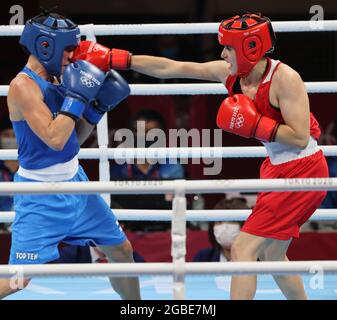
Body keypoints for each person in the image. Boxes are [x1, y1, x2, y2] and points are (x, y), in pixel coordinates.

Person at [72, 13, 329, 300]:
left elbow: (300, 136)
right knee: (272, 253)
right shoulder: (230, 74)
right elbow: (173, 67)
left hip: (303, 170)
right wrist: (118, 60)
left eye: (228, 48)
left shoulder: (285, 79)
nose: (222, 54)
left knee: (244, 249)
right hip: (277, 167)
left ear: (250, 48)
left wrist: (255, 124)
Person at [0, 11, 140, 300]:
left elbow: (72, 140)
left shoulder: (62, 77)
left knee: (121, 251)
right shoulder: (22, 86)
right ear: (45, 46)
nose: (72, 55)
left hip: (76, 184)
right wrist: (78, 98)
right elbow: (54, 138)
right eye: (68, 49)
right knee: (17, 280)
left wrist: (95, 110)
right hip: (41, 194)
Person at [193, 198, 245, 262]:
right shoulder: (203, 257)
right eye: (219, 221)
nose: (225, 227)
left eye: (232, 221)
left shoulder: (257, 259)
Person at [0, 116, 18, 232]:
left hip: (27, 228)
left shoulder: (33, 166)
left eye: (15, 135)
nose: (11, 139)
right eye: (6, 135)